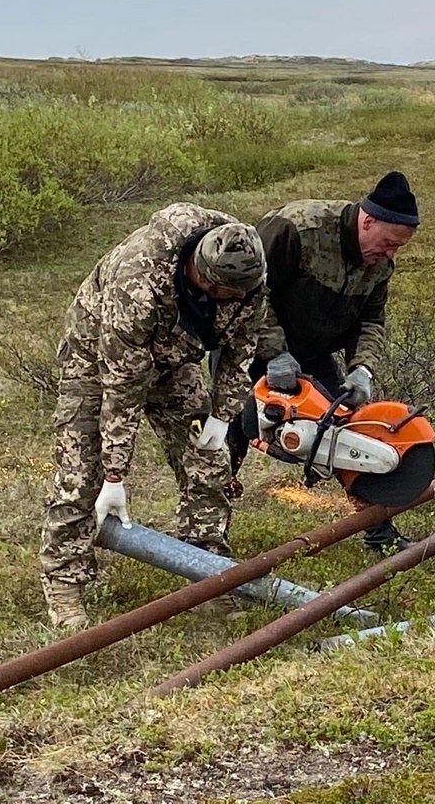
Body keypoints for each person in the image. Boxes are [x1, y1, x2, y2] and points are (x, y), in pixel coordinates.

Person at [39, 203, 267, 629]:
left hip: (176, 361)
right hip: (98, 361)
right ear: (202, 275)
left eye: (243, 294)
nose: (238, 301)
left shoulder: (248, 276)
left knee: (208, 464)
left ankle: (206, 567)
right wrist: (114, 476)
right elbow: (122, 389)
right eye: (229, 294)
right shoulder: (138, 283)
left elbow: (241, 350)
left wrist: (222, 414)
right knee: (80, 475)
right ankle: (65, 579)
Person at [240, 171, 420, 552]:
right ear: (367, 221)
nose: (389, 255)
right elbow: (248, 291)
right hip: (247, 343)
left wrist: (362, 369)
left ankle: (379, 532)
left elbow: (371, 320)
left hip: (311, 351)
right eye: (387, 243)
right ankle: (205, 538)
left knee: (344, 430)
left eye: (397, 249)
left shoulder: (380, 263)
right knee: (233, 432)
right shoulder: (296, 228)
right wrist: (273, 351)